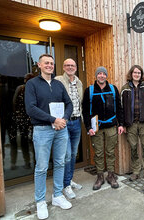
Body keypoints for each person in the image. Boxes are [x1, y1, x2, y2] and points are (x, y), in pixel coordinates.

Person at [25, 54, 73, 220]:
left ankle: (57, 195)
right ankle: (40, 201)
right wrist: (54, 120)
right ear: (39, 65)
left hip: (61, 129)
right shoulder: (32, 84)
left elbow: (69, 104)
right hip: (43, 130)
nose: (49, 65)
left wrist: (64, 119)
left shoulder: (59, 84)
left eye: (52, 63)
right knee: (42, 167)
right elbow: (30, 109)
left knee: (60, 162)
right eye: (46, 63)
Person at [82, 66, 124, 190]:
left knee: (110, 152)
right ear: (96, 76)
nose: (101, 76)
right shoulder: (89, 90)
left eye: (103, 74)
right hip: (96, 127)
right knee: (99, 153)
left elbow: (119, 108)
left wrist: (120, 124)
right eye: (99, 73)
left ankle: (111, 176)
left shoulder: (113, 89)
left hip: (111, 126)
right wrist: (88, 127)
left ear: (106, 76)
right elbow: (85, 111)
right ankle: (100, 176)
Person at [121, 65, 144, 182]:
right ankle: (136, 171)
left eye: (139, 73)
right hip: (131, 124)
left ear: (141, 75)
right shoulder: (125, 88)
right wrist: (123, 124)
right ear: (131, 74)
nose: (137, 74)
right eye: (135, 72)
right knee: (133, 147)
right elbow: (121, 108)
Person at [55, 58, 83, 199]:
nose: (70, 67)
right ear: (64, 67)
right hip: (64, 123)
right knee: (66, 155)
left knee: (73, 154)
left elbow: (80, 102)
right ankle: (65, 185)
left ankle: (69, 180)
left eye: (72, 65)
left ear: (76, 67)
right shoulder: (58, 80)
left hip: (77, 121)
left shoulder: (79, 82)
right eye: (67, 65)